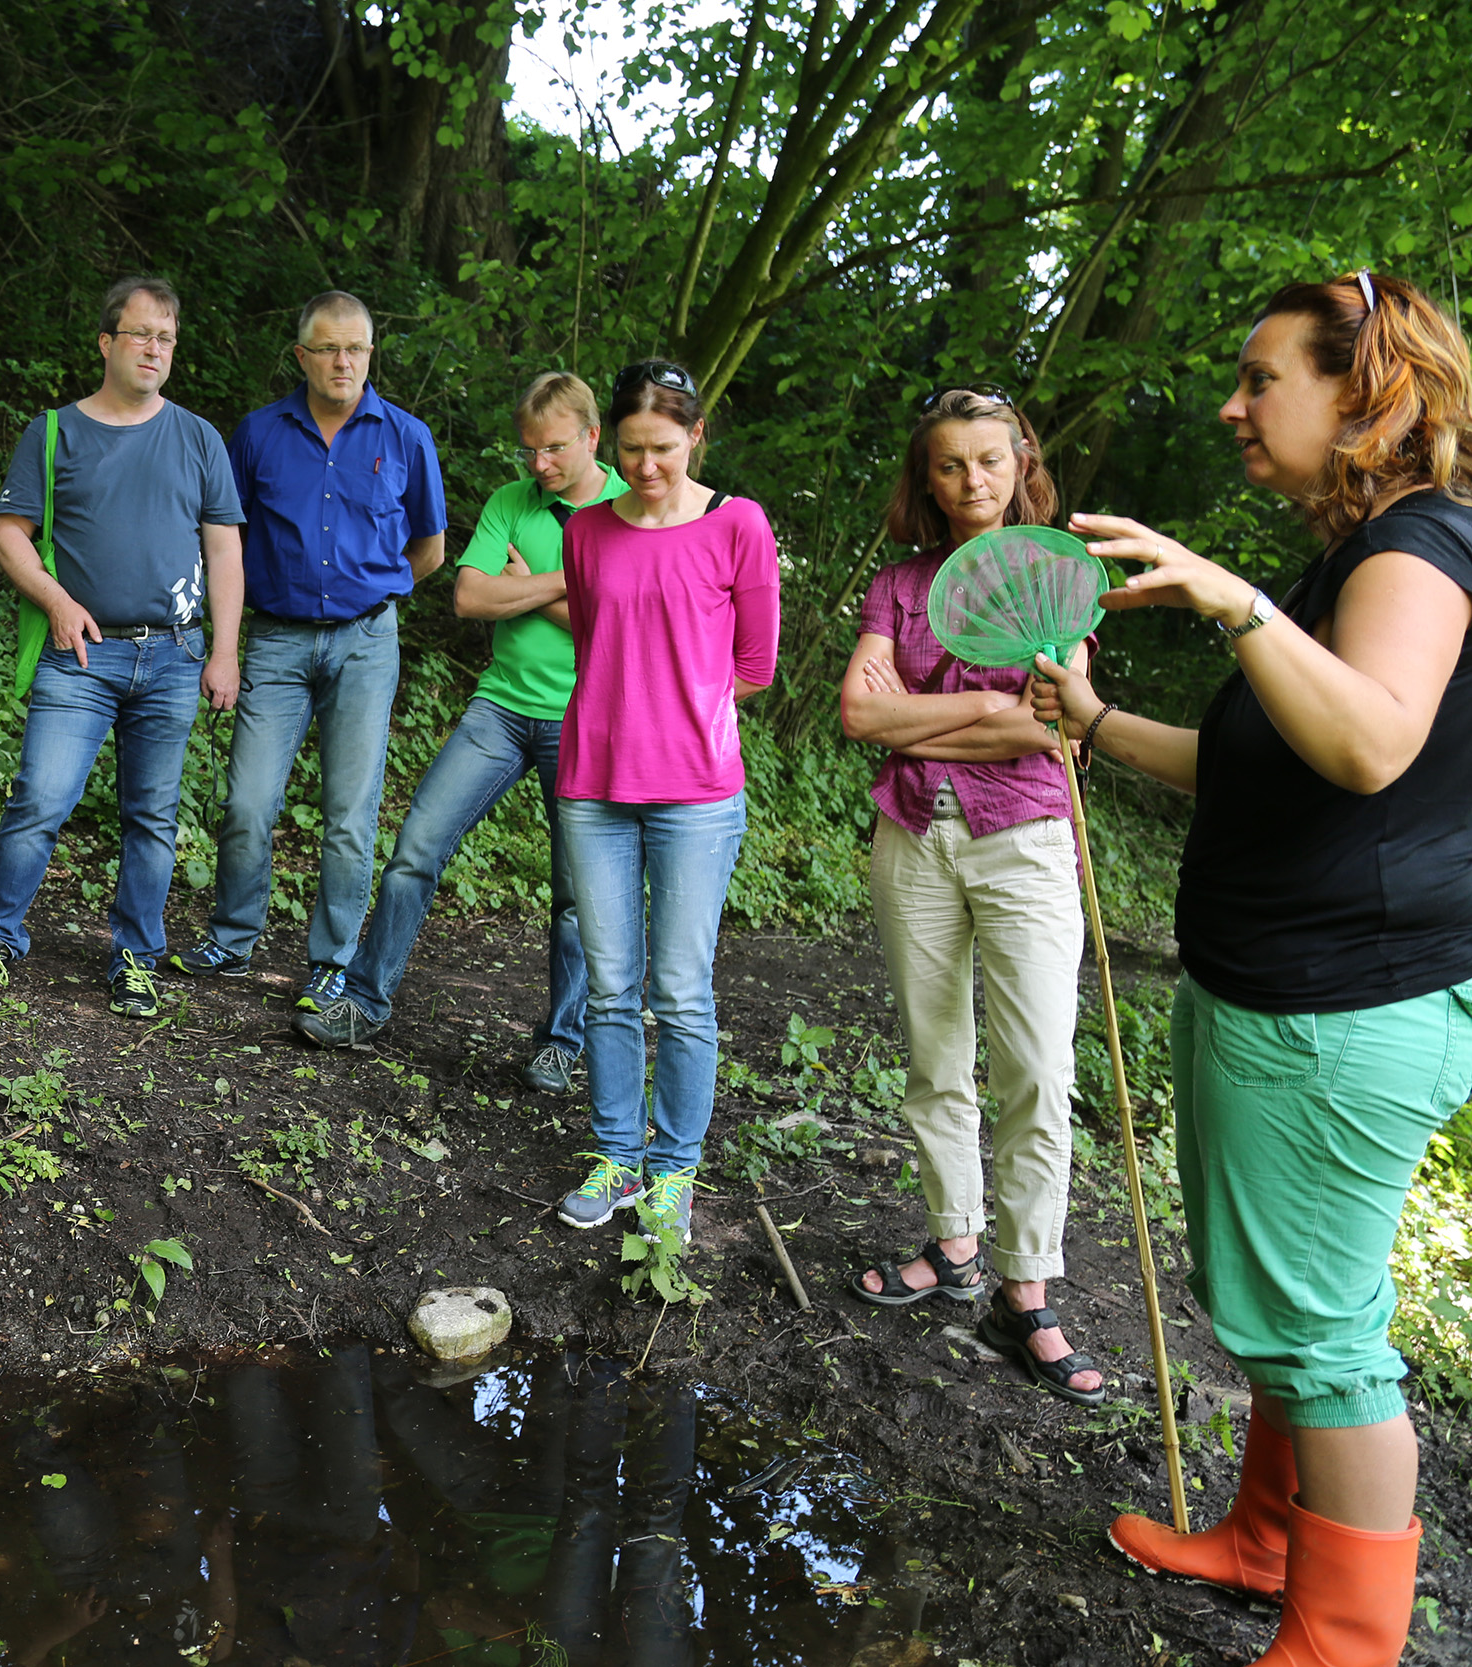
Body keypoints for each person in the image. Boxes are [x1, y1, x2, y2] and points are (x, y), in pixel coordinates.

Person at [1032, 270, 1472, 1667]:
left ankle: (1343, 1642)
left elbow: (1371, 741)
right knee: (1290, 1306)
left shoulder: (1417, 550)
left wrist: (1230, 603)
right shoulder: (1357, 560)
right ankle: (1269, 1539)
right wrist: (1098, 721)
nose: (1233, 404)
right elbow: (1263, 759)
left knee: (1325, 1336)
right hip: (1291, 995)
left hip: (1340, 1007)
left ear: (1368, 391)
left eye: (1260, 376)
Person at [836, 387, 1103, 1406]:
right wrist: (990, 702)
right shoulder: (898, 583)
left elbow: (1052, 731)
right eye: (949, 465)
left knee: (1036, 1062)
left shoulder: (1053, 576)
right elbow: (863, 710)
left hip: (1026, 838)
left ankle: (1023, 1287)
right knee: (933, 1052)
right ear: (927, 478)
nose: (971, 481)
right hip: (912, 835)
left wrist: (934, 716)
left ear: (1018, 459)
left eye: (988, 459)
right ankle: (953, 1243)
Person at [295, 371, 621, 1092]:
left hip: (585, 719)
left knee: (577, 894)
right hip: (500, 709)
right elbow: (471, 597)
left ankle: (562, 1043)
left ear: (593, 437)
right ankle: (365, 1002)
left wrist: (528, 585)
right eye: (529, 450)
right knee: (415, 848)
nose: (538, 465)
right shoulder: (512, 501)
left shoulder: (629, 510)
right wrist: (567, 581)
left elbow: (623, 631)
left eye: (554, 450)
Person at [0, 278, 244, 1017]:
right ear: (106, 342)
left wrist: (224, 650)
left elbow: (225, 550)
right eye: (140, 334)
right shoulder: (54, 432)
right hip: (82, 653)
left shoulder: (199, 437)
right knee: (40, 797)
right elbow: (8, 532)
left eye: (165, 338)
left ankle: (135, 956)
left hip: (172, 654)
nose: (154, 349)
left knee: (153, 816)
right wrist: (56, 599)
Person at [167, 292, 446, 1013]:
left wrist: (373, 594)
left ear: (371, 352)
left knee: (351, 813)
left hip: (366, 642)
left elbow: (430, 548)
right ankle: (232, 939)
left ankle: (334, 962)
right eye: (327, 348)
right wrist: (224, 643)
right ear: (301, 356)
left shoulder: (407, 438)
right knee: (248, 801)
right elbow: (224, 541)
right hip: (276, 641)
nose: (343, 360)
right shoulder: (258, 434)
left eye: (355, 347)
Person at [550, 361, 776, 1242]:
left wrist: (681, 712)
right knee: (609, 987)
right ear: (611, 442)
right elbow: (598, 637)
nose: (647, 467)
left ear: (696, 440)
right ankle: (616, 1156)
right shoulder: (587, 530)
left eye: (666, 450)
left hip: (694, 793)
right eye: (633, 449)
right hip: (593, 785)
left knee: (680, 991)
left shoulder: (737, 524)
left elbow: (755, 665)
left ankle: (674, 1170)